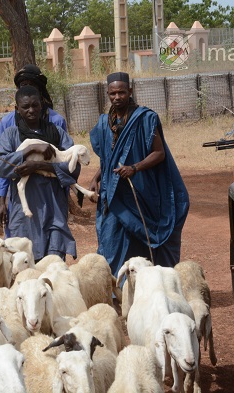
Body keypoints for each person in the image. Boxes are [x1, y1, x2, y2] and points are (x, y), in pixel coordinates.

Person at [89, 72, 189, 275]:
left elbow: (159, 153)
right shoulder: (104, 123)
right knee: (111, 239)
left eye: (121, 92)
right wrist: (95, 178)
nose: (117, 97)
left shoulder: (144, 118)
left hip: (139, 192)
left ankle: (150, 279)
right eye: (112, 93)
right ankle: (117, 287)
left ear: (130, 92)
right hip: (114, 194)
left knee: (140, 236)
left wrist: (134, 168)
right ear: (107, 94)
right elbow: (108, 158)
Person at [0, 85, 78, 261]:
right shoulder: (10, 135)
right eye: (25, 107)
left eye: (35, 105)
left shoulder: (57, 133)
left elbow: (74, 168)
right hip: (25, 211)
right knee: (23, 265)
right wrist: (30, 149)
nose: (31, 110)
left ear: (42, 106)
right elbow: (0, 166)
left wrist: (39, 166)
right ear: (17, 109)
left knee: (54, 266)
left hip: (53, 206)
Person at [0, 64, 67, 233]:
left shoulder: (56, 122)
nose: (27, 88)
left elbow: (65, 158)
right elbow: (1, 163)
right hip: (19, 195)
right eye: (23, 86)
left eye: (32, 85)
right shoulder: (8, 123)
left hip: (50, 192)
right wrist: (1, 202)